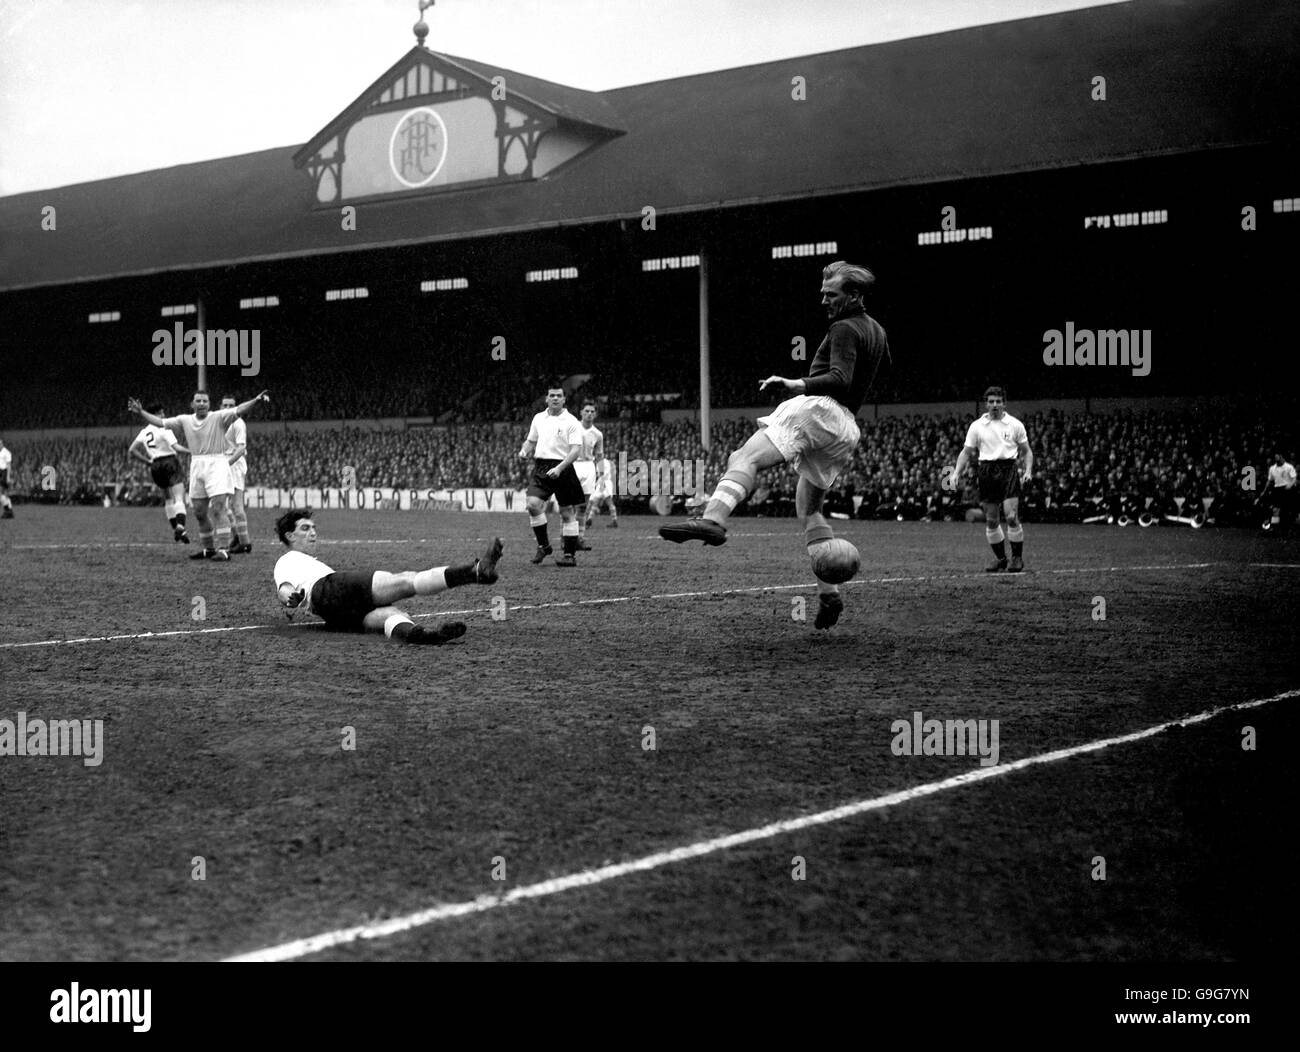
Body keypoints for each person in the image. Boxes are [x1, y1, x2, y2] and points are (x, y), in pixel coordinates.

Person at [659, 260, 890, 629]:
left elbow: (840, 378)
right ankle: (829, 592)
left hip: (819, 410)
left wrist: (795, 383)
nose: (824, 301)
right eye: (822, 294)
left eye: (831, 295)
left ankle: (713, 519)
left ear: (854, 295)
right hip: (845, 427)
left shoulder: (844, 327)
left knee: (744, 456)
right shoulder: (876, 330)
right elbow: (862, 378)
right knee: (809, 509)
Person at [273, 509, 502, 644]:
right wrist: (289, 597)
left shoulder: (304, 563)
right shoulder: (287, 559)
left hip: (332, 615)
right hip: (330, 588)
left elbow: (289, 593)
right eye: (305, 528)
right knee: (404, 581)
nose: (312, 533)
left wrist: (292, 599)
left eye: (313, 528)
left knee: (391, 615)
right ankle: (474, 572)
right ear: (289, 535)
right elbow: (283, 588)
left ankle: (422, 635)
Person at [126, 390, 269, 561]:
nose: (201, 403)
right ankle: (208, 549)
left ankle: (224, 550)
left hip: (217, 463)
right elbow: (160, 422)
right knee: (199, 511)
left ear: (209, 404)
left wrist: (256, 399)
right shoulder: (184, 420)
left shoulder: (218, 416)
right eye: (198, 401)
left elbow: (240, 409)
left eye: (205, 401)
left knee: (218, 508)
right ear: (192, 404)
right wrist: (141, 412)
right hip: (197, 464)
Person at [946, 386, 1033, 572]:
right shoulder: (976, 426)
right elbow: (966, 452)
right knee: (992, 520)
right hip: (985, 471)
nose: (995, 405)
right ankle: (1001, 559)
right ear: (986, 404)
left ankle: (1017, 558)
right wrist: (955, 473)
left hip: (1008, 469)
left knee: (1011, 516)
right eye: (991, 402)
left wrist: (1028, 471)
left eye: (998, 401)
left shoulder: (1015, 424)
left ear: (1004, 403)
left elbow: (1026, 451)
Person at [519, 386, 586, 567]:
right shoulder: (538, 418)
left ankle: (569, 555)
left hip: (563, 467)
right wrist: (525, 450)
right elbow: (531, 440)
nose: (555, 398)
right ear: (546, 399)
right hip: (541, 467)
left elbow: (575, 451)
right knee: (532, 505)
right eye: (552, 395)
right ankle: (544, 546)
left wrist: (560, 468)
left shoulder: (571, 421)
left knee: (566, 512)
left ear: (564, 400)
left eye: (559, 396)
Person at [127, 405, 191, 542]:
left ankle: (176, 529)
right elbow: (177, 448)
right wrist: (192, 451)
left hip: (155, 465)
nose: (163, 415)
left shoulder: (144, 432)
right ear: (154, 415)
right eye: (160, 413)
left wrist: (147, 462)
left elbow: (132, 450)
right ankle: (180, 525)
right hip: (170, 462)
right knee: (179, 497)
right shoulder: (164, 429)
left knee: (168, 498)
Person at [221, 395, 253, 553]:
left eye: (231, 405)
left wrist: (226, 464)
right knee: (220, 505)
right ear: (220, 406)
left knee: (236, 505)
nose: (227, 407)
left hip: (233, 464)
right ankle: (238, 537)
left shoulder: (238, 423)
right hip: (223, 463)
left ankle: (245, 542)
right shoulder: (218, 421)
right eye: (225, 404)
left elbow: (241, 449)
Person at [573, 400, 605, 550]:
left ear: (596, 414)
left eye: (592, 411)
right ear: (581, 413)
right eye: (587, 411)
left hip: (588, 467)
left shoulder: (598, 434)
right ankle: (564, 538)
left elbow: (599, 455)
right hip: (572, 465)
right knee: (568, 505)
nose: (589, 414)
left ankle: (579, 538)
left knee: (582, 506)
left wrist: (602, 475)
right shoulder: (573, 429)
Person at [1261, 452, 1297, 533]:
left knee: (1285, 510)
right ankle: (1274, 528)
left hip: (1286, 489)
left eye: (1278, 457)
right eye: (1275, 457)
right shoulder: (1272, 468)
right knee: (1275, 509)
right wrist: (1264, 491)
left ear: (1282, 457)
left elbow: (1294, 478)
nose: (1276, 459)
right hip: (1277, 489)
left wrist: (1290, 485)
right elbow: (1269, 481)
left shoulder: (1289, 467)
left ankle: (1285, 529)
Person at [586, 451, 619, 528]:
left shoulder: (600, 463)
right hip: (606, 483)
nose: (596, 457)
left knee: (599, 502)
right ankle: (589, 521)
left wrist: (598, 485)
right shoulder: (606, 462)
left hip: (604, 483)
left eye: (597, 456)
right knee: (600, 502)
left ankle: (589, 521)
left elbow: (602, 475)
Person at [0, 437, 13, 518]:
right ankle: (9, 511)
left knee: (2, 493)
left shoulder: (7, 453)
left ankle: (8, 511)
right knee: (4, 494)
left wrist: (8, 477)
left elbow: (9, 466)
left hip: (3, 473)